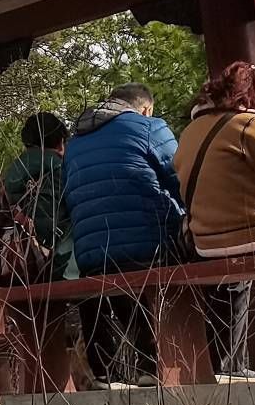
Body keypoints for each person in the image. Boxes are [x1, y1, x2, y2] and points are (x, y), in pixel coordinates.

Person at [172, 60, 255, 381]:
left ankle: (228, 366)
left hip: (207, 239)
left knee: (229, 287)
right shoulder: (249, 125)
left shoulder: (190, 131)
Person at [62, 81, 184, 386]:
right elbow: (182, 178)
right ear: (145, 108)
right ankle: (164, 367)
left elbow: (68, 198)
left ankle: (128, 370)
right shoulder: (149, 127)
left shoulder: (75, 142)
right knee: (183, 285)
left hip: (92, 254)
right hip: (150, 245)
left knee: (125, 300)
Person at [0, 111, 75, 284]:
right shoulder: (60, 172)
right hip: (54, 267)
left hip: (12, 264)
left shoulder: (9, 177)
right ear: (61, 143)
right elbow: (49, 228)